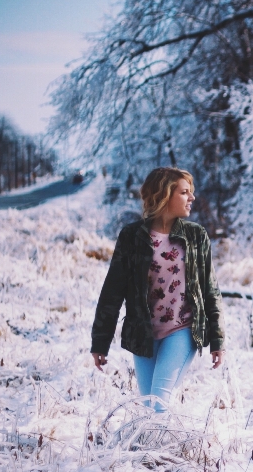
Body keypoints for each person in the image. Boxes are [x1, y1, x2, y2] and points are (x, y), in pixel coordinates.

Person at [91, 167, 225, 411]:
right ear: (165, 195)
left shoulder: (195, 236)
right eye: (184, 192)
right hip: (143, 334)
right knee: (147, 405)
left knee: (158, 401)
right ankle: (151, 448)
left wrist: (216, 339)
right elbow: (112, 290)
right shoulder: (132, 237)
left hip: (182, 330)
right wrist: (100, 342)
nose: (192, 198)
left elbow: (210, 290)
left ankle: (165, 450)